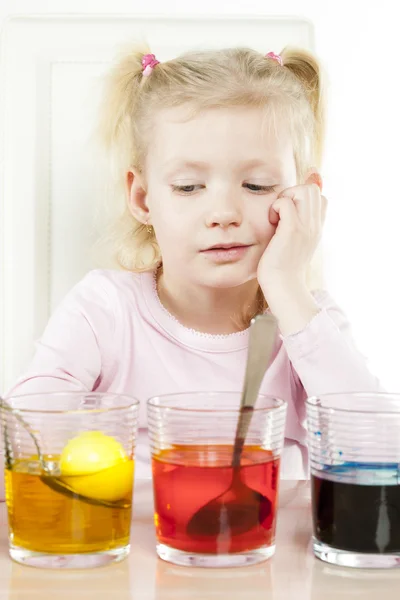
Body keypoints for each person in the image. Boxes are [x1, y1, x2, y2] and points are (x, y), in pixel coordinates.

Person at [3, 44, 383, 484]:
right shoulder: (104, 310)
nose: (222, 212)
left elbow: (374, 457)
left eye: (257, 185)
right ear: (143, 199)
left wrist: (286, 285)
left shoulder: (308, 324)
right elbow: (18, 443)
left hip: (264, 550)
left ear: (306, 197)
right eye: (188, 187)